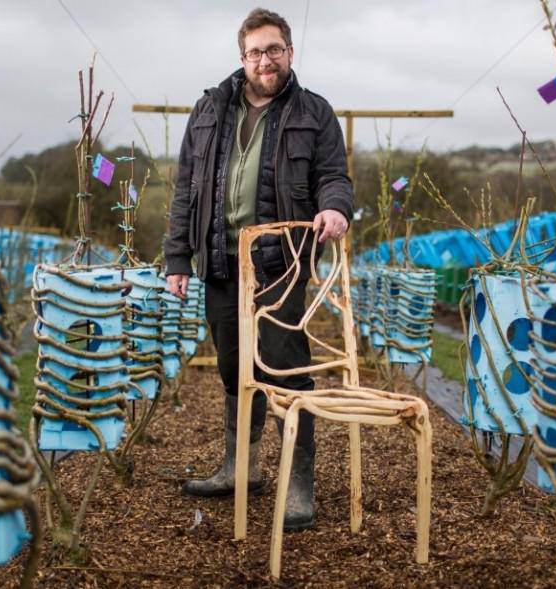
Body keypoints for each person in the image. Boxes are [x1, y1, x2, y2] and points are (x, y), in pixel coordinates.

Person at [164, 7, 353, 531]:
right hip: (221, 263)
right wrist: (178, 257)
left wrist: (335, 207)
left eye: (274, 50)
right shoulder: (207, 110)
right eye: (255, 52)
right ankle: (238, 469)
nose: (264, 60)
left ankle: (298, 484)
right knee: (233, 369)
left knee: (284, 369)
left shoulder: (314, 113)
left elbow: (334, 176)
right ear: (242, 57)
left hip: (281, 265)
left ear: (289, 52)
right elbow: (186, 190)